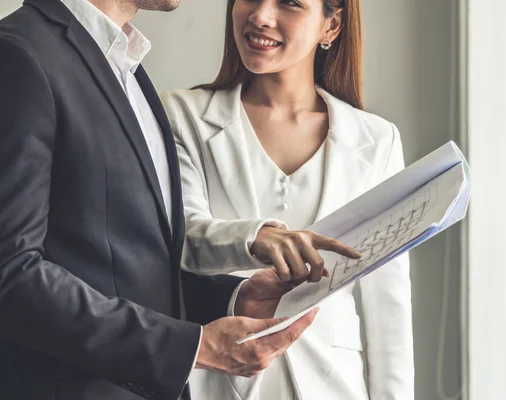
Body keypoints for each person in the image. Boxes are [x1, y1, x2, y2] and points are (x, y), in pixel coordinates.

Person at [0, 0, 320, 399]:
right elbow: (9, 274)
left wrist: (233, 298)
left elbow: (123, 261)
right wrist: (194, 347)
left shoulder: (125, 66)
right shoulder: (18, 55)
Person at [161, 0, 415, 399]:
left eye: (290, 3)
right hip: (214, 384)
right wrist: (256, 237)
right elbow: (179, 239)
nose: (260, 15)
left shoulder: (377, 141)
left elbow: (390, 312)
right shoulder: (180, 116)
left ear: (330, 26)